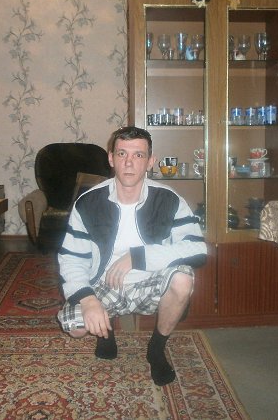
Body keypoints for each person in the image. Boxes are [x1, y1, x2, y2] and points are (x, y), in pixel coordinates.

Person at [57, 126, 207, 386]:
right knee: (74, 326)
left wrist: (138, 257)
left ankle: (156, 349)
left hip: (151, 282)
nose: (129, 162)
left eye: (138, 155)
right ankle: (106, 333)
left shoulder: (169, 199)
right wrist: (89, 300)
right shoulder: (88, 203)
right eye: (122, 154)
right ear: (111, 158)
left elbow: (197, 249)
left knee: (183, 279)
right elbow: (72, 258)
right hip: (104, 283)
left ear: (150, 162)